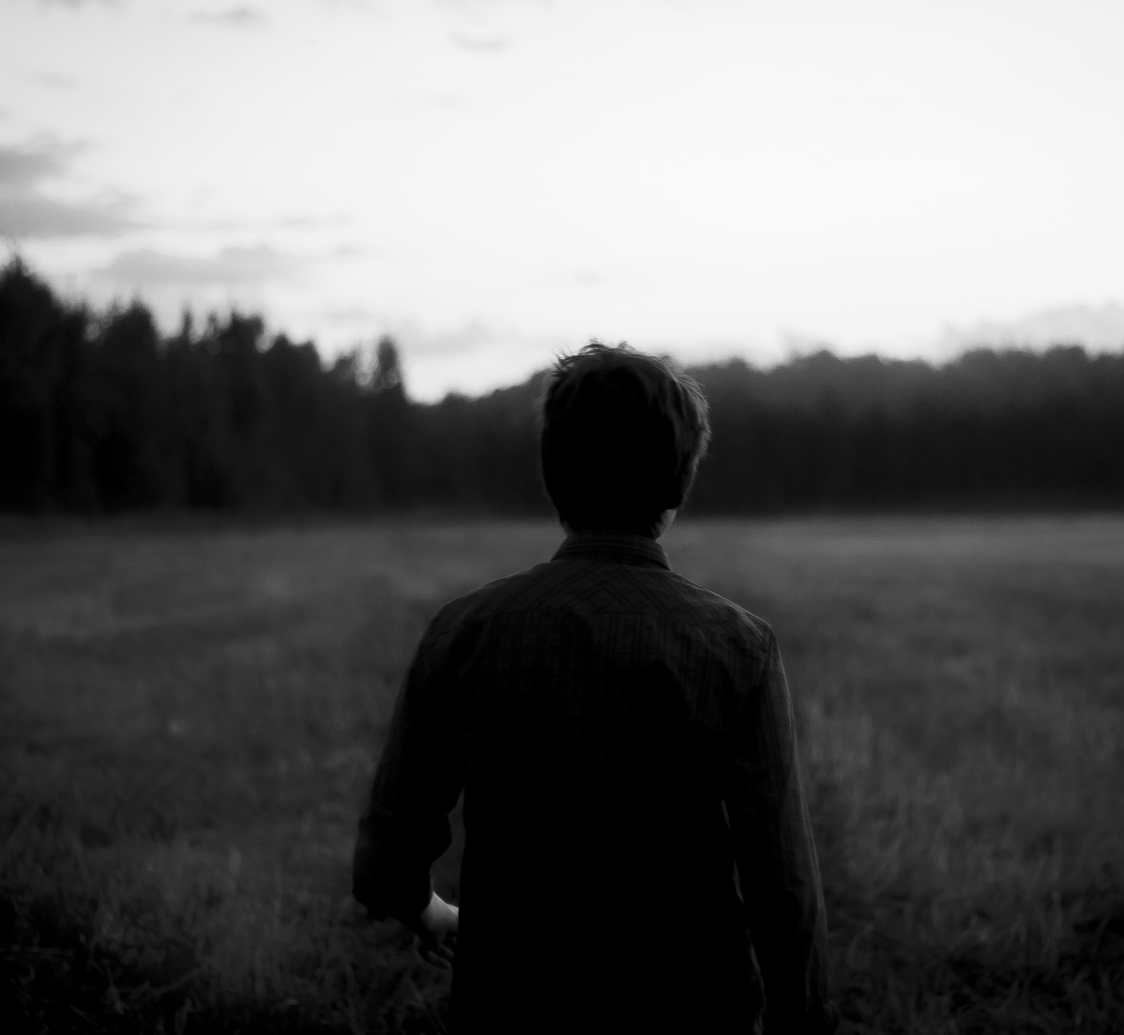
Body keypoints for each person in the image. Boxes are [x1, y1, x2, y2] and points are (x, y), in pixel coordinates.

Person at [353, 341, 835, 1034]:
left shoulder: (464, 632)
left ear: (553, 478)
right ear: (677, 486)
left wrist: (431, 912)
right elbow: (783, 890)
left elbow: (382, 866)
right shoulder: (739, 647)